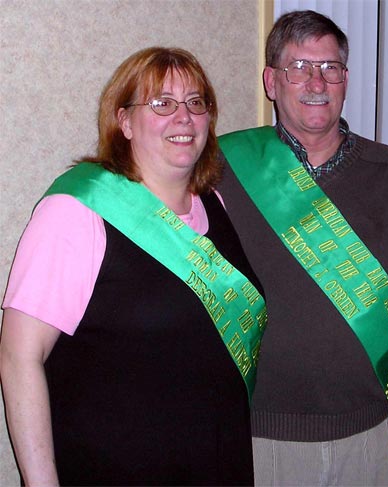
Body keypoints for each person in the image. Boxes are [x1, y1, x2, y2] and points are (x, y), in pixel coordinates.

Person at [0, 47, 267, 486]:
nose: (184, 117)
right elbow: (19, 356)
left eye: (196, 102)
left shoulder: (213, 205)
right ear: (124, 122)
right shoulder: (75, 212)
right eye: (161, 103)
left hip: (220, 463)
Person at [218, 10, 388, 487]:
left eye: (330, 68)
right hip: (260, 438)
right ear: (271, 81)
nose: (316, 82)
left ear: (345, 79)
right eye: (298, 67)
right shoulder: (224, 170)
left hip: (368, 433)